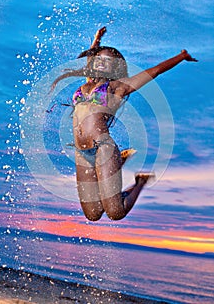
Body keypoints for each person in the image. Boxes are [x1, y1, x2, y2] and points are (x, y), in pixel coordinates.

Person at [51, 27, 198, 221]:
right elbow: (90, 57)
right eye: (99, 59)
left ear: (115, 67)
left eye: (108, 61)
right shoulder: (87, 82)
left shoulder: (117, 87)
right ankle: (118, 163)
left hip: (102, 147)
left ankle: (139, 182)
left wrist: (181, 56)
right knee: (93, 214)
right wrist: (96, 40)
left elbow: (154, 71)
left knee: (116, 212)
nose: (102, 63)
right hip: (82, 153)